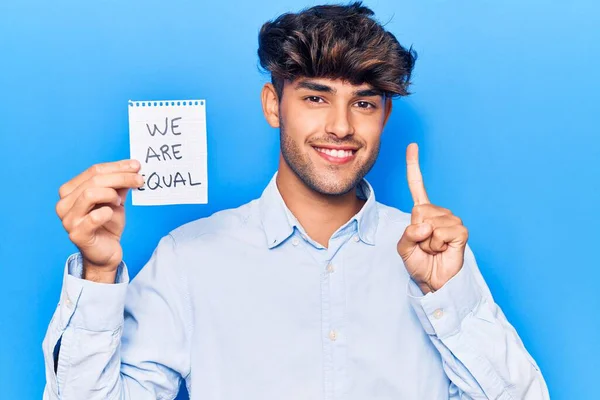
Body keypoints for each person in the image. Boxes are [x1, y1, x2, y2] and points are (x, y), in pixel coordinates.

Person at [42, 2, 549, 399]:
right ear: (272, 105)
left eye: (364, 102)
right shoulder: (188, 259)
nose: (341, 126)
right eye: (315, 97)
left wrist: (448, 300)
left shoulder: (436, 259)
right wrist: (99, 275)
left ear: (385, 117)